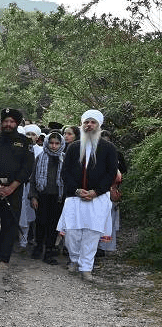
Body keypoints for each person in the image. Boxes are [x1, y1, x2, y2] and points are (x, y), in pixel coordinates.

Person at [57, 110, 118, 280]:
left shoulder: (109, 148)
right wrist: (76, 190)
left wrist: (96, 191)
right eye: (86, 122)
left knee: (92, 234)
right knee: (72, 233)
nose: (89, 125)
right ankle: (74, 259)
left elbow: (111, 173)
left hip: (98, 198)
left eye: (92, 122)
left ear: (99, 125)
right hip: (75, 197)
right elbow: (65, 172)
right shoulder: (73, 147)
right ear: (82, 125)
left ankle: (86, 267)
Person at [0, 108, 35, 269]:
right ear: (1, 123)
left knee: (9, 223)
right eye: (5, 121)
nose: (8, 124)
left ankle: (4, 258)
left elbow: (27, 168)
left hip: (13, 189)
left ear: (16, 124)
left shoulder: (24, 142)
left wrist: (11, 188)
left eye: (11, 121)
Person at [29, 131, 65, 264]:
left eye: (57, 143)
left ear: (61, 144)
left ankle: (49, 250)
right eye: (51, 143)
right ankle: (38, 246)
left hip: (58, 197)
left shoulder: (64, 158)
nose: (54, 146)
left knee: (53, 225)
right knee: (40, 223)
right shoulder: (41, 157)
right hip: (42, 196)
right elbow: (33, 178)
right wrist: (33, 196)